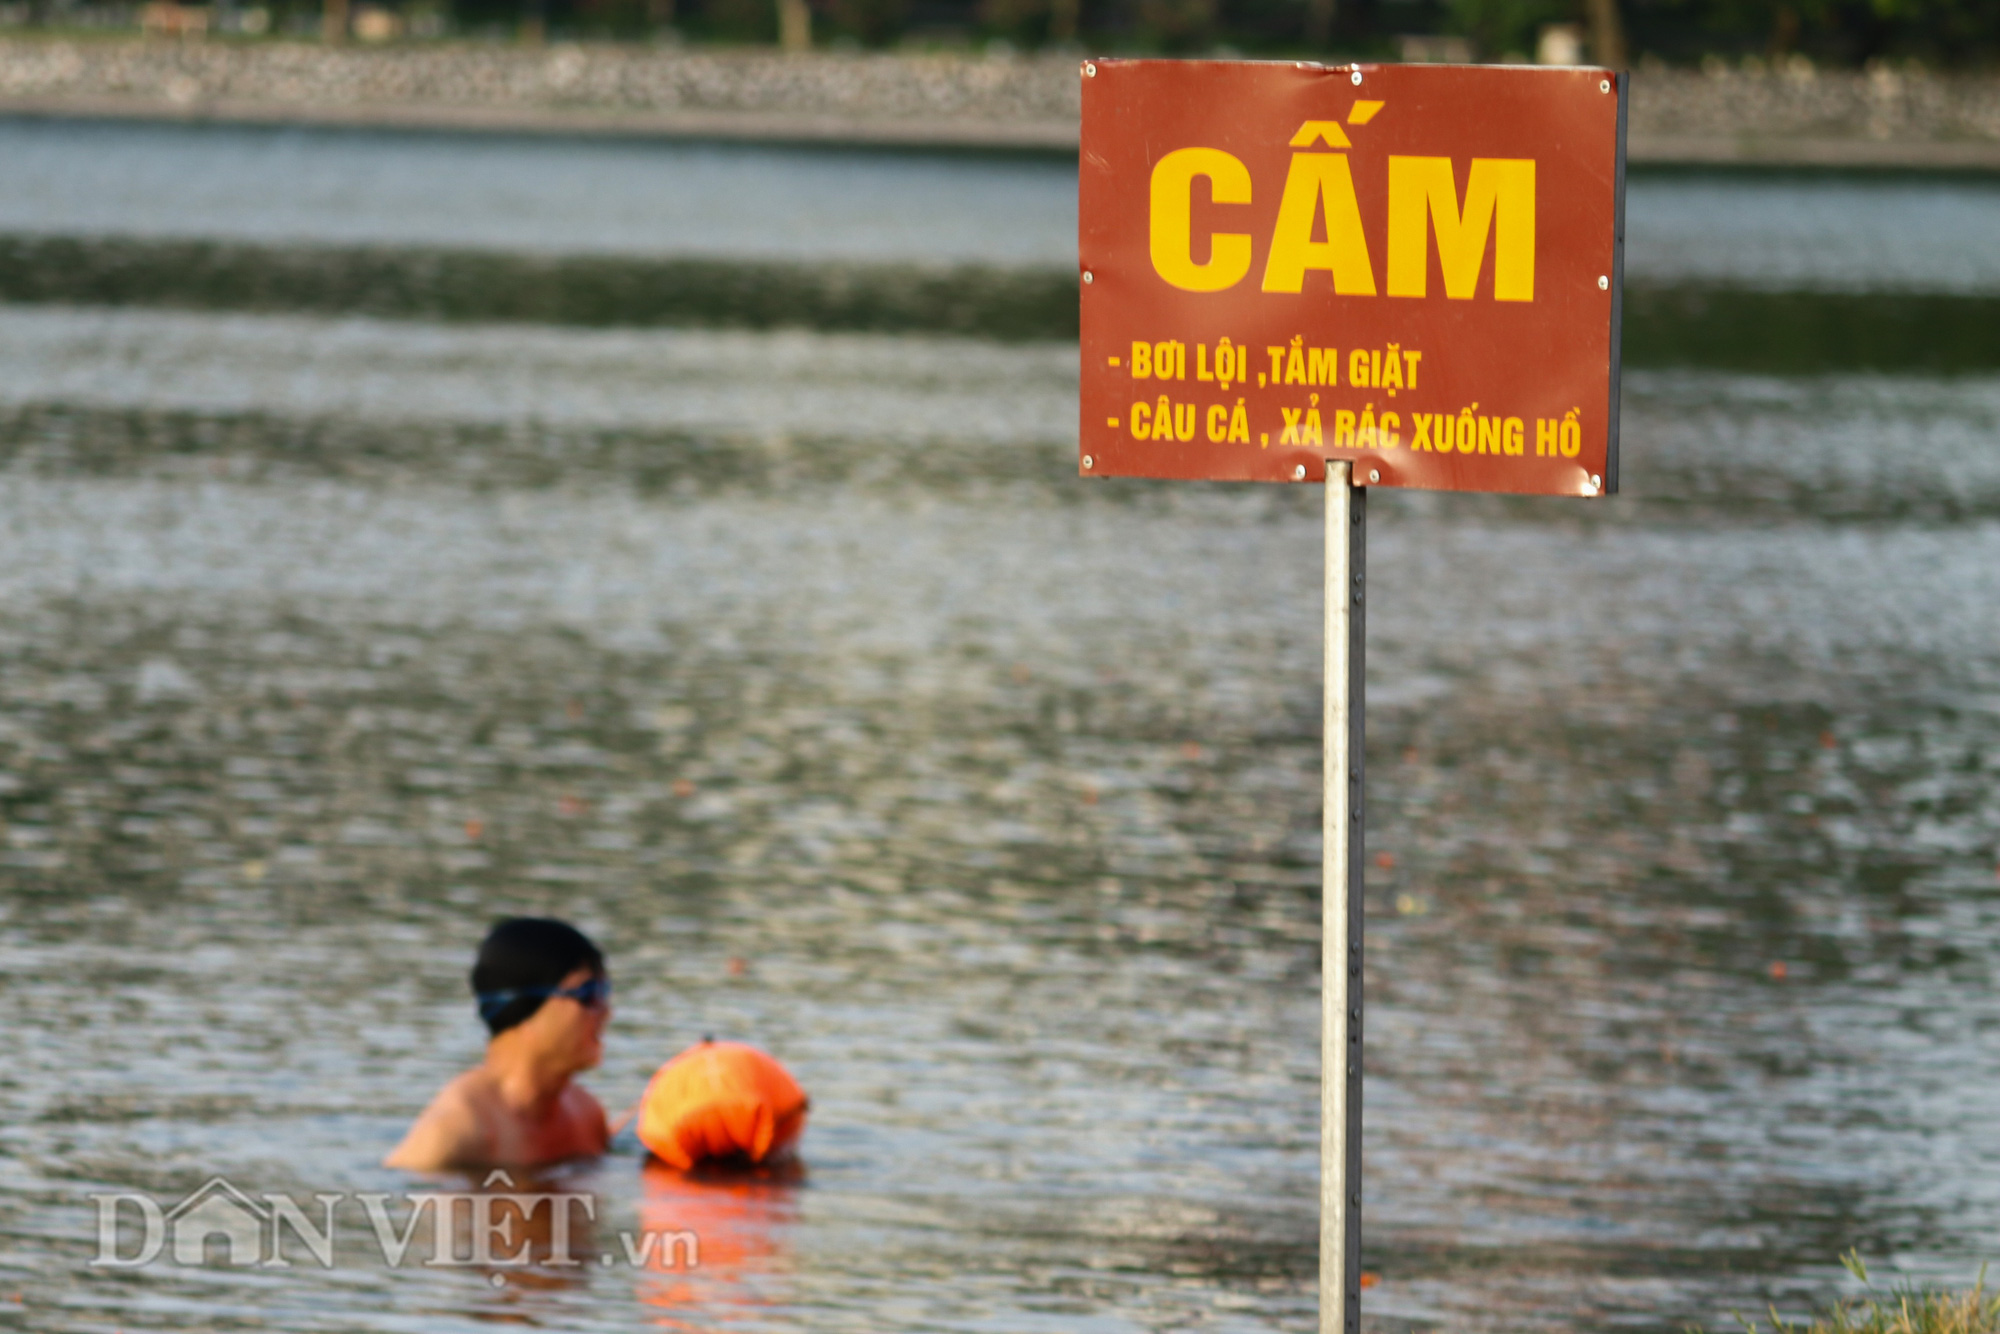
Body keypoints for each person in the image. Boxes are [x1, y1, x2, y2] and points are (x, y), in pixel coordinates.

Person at [385, 917, 614, 1171]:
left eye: (604, 992)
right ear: (523, 1010)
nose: (606, 1012)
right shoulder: (455, 1132)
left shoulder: (587, 1116)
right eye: (588, 994)